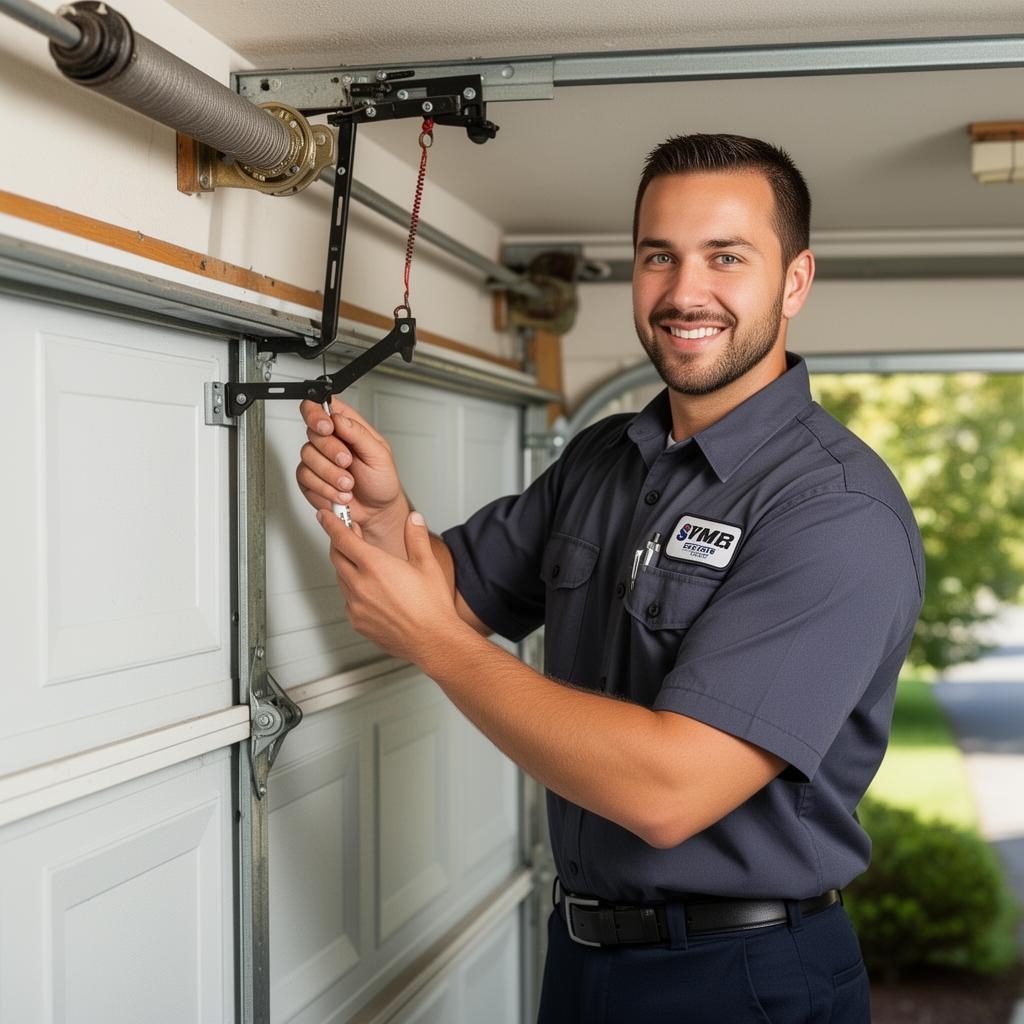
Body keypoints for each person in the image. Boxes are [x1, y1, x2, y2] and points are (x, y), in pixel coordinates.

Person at [295, 134, 924, 1023]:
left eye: (726, 257)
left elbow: (667, 792)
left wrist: (436, 645)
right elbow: (444, 588)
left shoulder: (835, 513)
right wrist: (391, 513)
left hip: (743, 978)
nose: (683, 292)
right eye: (657, 256)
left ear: (794, 281)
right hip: (586, 959)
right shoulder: (606, 458)